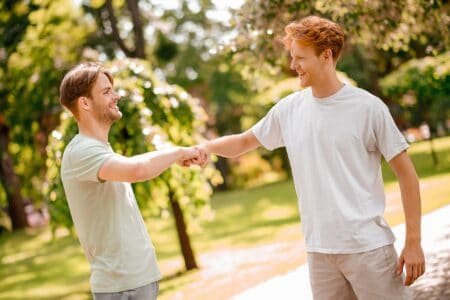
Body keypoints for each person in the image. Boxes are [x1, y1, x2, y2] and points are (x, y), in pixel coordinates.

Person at [194, 16, 425, 299]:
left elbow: (407, 175)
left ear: (326, 56)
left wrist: (413, 242)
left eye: (300, 58)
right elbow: (243, 142)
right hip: (320, 253)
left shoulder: (368, 108)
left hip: (368, 249)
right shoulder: (289, 109)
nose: (293, 66)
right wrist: (206, 147)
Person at [59, 62, 207, 299]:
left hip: (136, 280)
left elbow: (135, 162)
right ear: (84, 103)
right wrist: (178, 152)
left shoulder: (100, 149)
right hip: (121, 286)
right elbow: (137, 169)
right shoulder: (81, 151)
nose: (116, 96)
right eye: (106, 91)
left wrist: (173, 155)